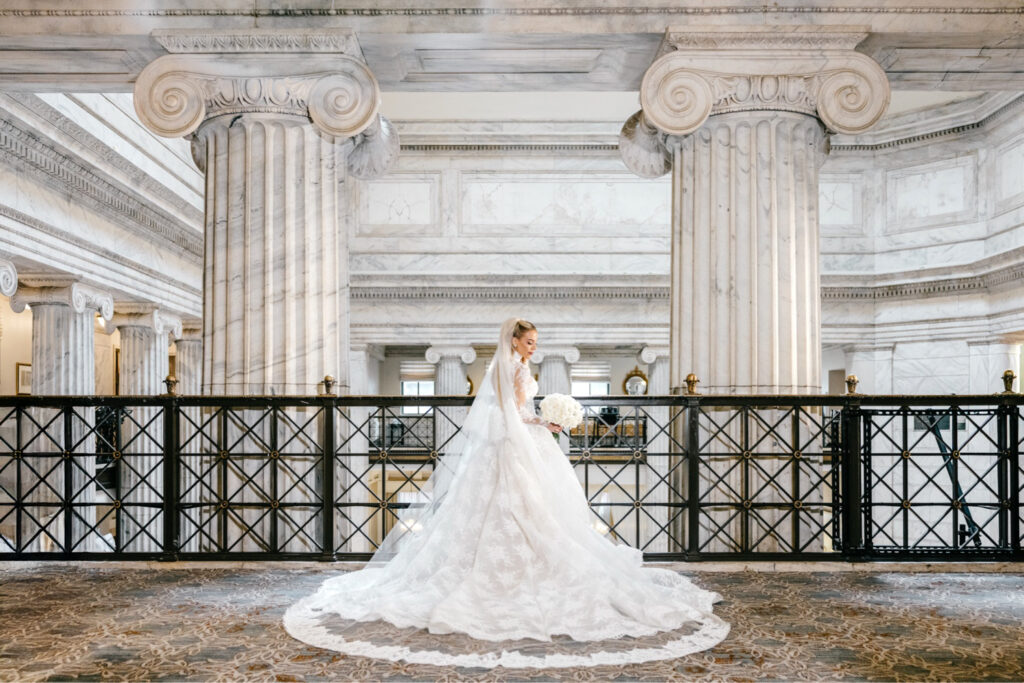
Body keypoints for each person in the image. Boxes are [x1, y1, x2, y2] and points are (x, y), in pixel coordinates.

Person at [284, 318, 729, 669]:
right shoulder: (516, 369)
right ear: (515, 341)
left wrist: (543, 418)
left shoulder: (505, 366)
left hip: (505, 447)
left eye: (535, 342)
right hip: (520, 443)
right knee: (531, 510)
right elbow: (519, 414)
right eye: (530, 341)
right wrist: (549, 423)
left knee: (507, 510)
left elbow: (508, 410)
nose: (534, 347)